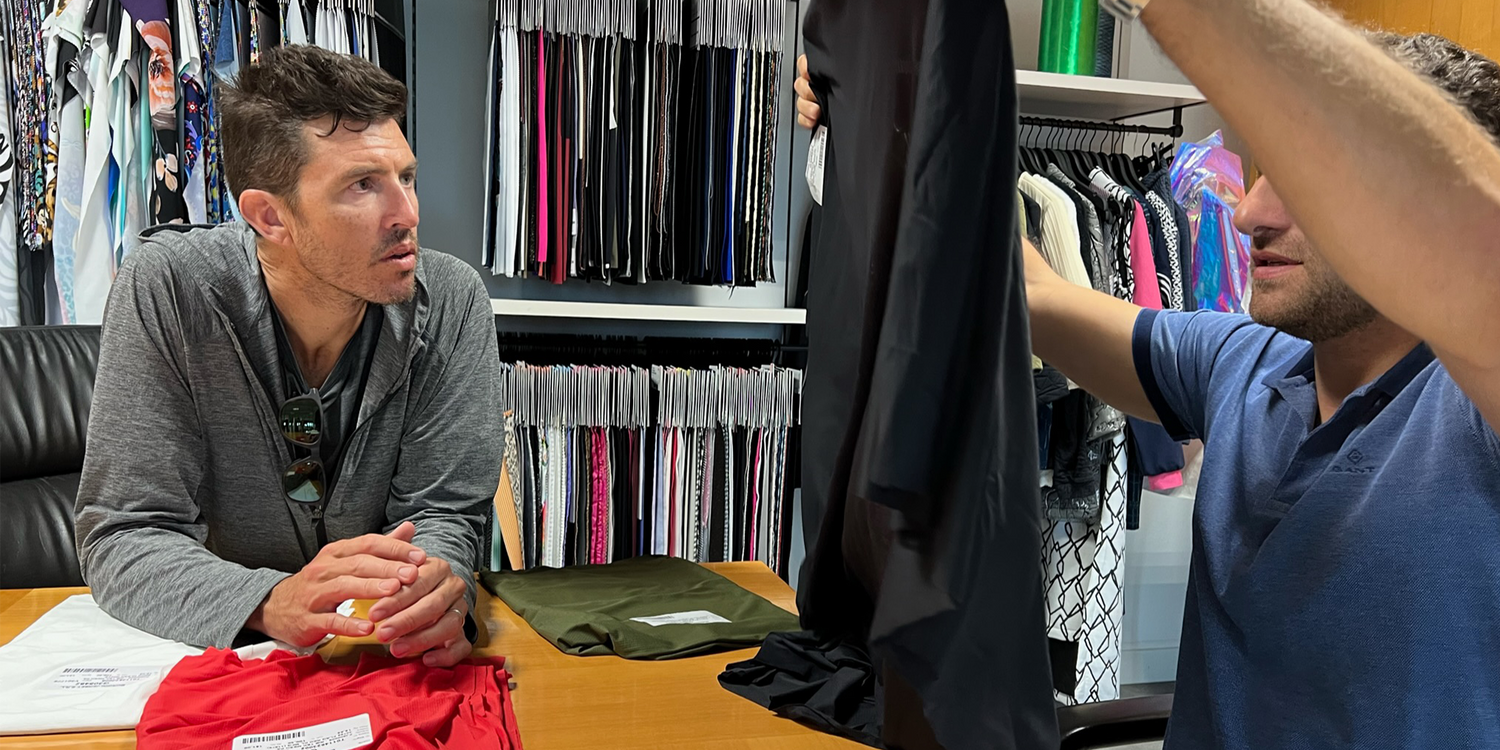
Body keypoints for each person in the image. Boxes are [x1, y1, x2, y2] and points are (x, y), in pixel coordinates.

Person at [795, 7, 1500, 749]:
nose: (1252, 212)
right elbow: (1030, 290)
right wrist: (900, 108)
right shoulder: (1243, 363)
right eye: (1269, 174)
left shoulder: (1473, 414)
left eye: (1316, 180)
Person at [74, 45, 502, 669]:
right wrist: (272, 599)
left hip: (381, 664)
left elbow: (445, 513)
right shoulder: (170, 289)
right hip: (221, 666)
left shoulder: (454, 301)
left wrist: (433, 588)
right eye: (363, 186)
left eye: (405, 177)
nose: (408, 214)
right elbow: (125, 533)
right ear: (269, 216)